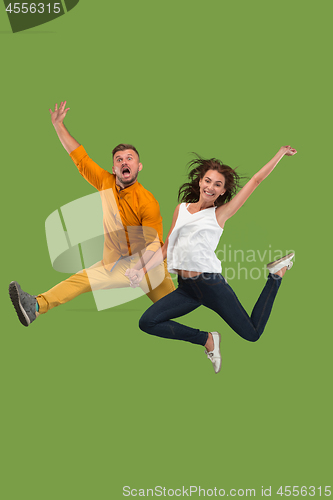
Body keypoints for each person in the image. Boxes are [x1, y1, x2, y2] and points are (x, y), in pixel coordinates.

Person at [126, 146, 297, 374]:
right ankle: (207, 339)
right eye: (208, 181)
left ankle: (276, 274)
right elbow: (167, 247)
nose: (211, 187)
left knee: (252, 334)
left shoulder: (220, 214)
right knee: (147, 322)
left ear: (223, 191)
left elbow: (255, 180)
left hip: (210, 285)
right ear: (199, 182)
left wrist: (279, 154)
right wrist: (141, 271)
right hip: (187, 288)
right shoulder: (182, 209)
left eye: (218, 184)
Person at [9, 101, 174, 327]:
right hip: (116, 264)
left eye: (129, 158)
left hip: (147, 265)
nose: (124, 162)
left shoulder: (147, 202)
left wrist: (140, 270)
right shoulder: (105, 182)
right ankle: (36, 306)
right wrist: (58, 125)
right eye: (119, 159)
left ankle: (205, 323)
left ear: (139, 166)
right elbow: (80, 158)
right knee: (82, 279)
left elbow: (154, 246)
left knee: (174, 307)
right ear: (114, 168)